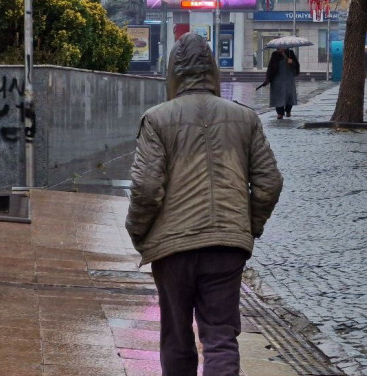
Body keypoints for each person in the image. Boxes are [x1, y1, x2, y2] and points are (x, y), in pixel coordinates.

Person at [126, 32, 284, 376]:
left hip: (172, 250)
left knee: (176, 338)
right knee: (221, 338)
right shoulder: (245, 118)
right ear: (213, 70)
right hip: (226, 249)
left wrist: (139, 233)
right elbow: (269, 182)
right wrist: (248, 227)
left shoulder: (157, 118)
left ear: (173, 73)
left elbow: (147, 187)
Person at [258, 47, 300, 119]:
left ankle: (288, 110)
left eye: (283, 46)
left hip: (288, 78)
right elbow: (270, 67)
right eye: (280, 47)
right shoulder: (275, 55)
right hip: (277, 79)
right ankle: (280, 113)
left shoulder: (290, 53)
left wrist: (292, 62)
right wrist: (268, 79)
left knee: (289, 95)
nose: (281, 48)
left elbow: (297, 66)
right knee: (278, 96)